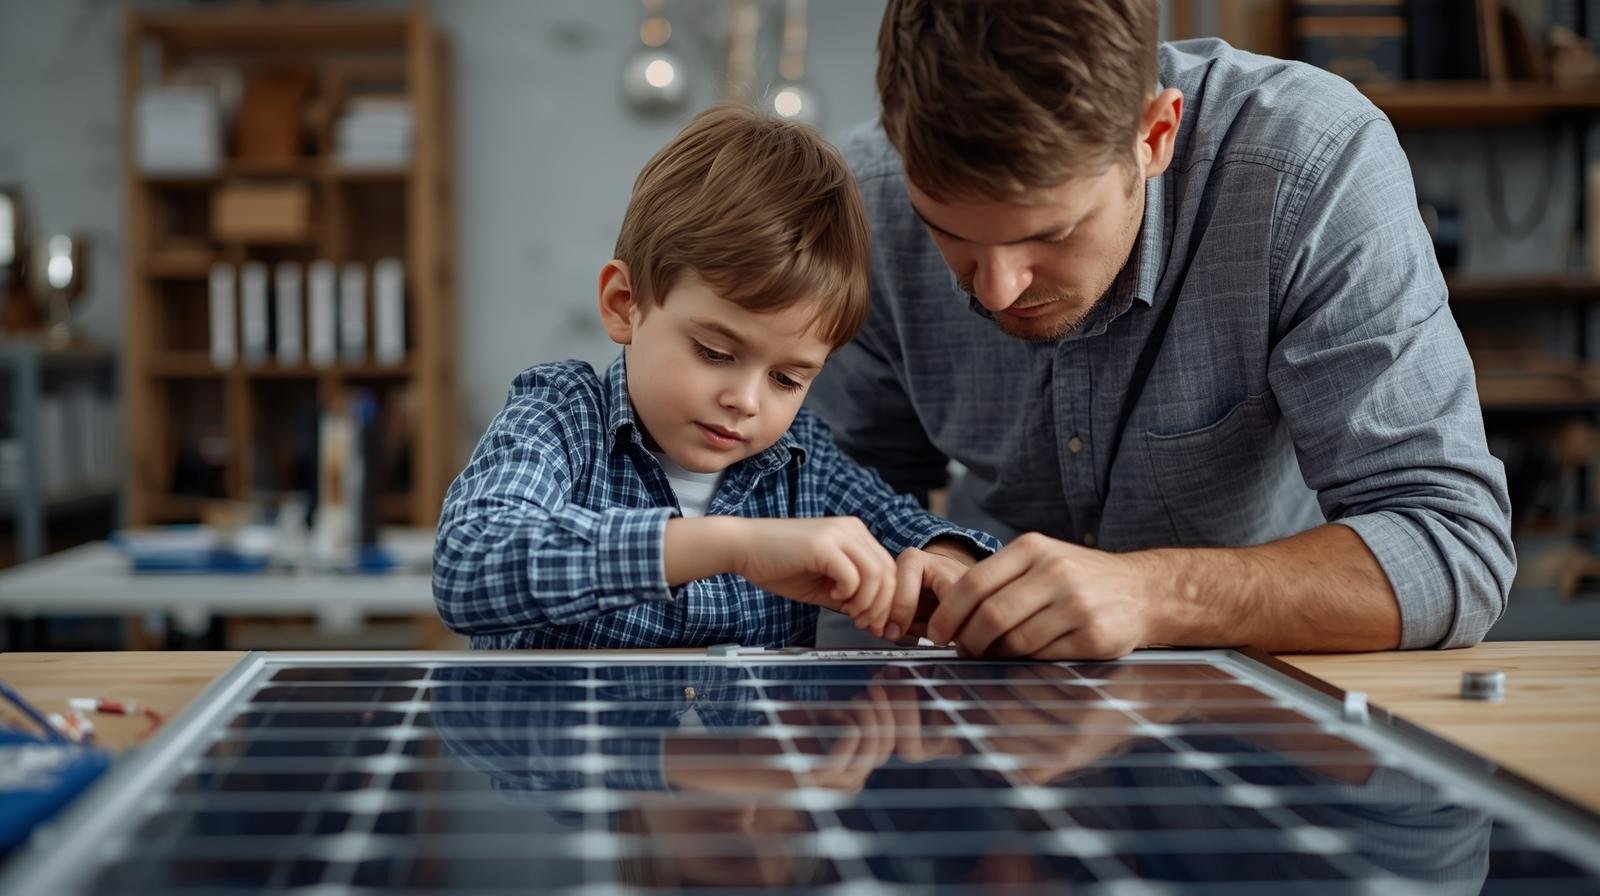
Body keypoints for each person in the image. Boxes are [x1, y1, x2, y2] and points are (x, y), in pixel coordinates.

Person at [808, 0, 1515, 659]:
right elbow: (839, 498)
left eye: (1049, 234)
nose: (995, 290)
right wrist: (928, 553)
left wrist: (1158, 593)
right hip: (990, 696)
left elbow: (1451, 543)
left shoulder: (1311, 166)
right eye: (949, 233)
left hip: (1272, 701)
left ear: (1155, 135)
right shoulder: (868, 197)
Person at [433, 104, 1000, 650]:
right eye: (714, 352)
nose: (746, 401)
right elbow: (468, 564)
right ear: (624, 302)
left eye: (787, 380)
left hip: (752, 750)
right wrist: (729, 545)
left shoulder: (804, 462)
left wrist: (949, 564)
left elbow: (909, 528)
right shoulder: (561, 417)